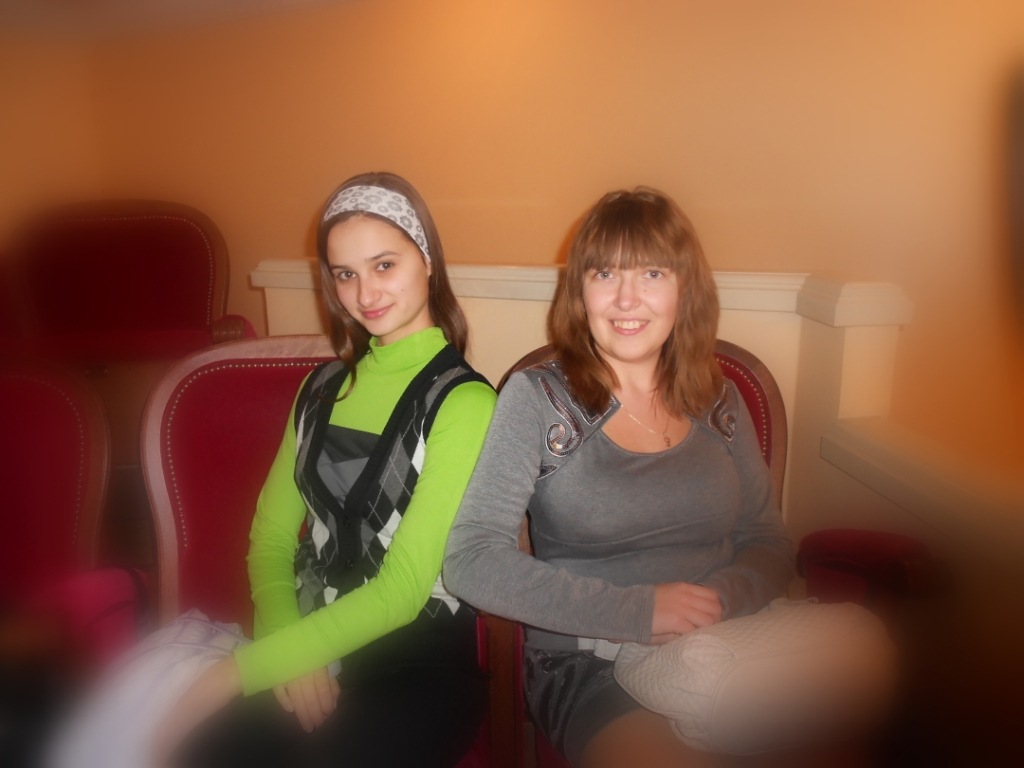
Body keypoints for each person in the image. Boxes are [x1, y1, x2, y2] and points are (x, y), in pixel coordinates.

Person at [443, 187, 795, 768]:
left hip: (727, 646)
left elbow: (768, 541)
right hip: (591, 663)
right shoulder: (537, 400)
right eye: (605, 273)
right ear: (579, 291)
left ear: (685, 289)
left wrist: (715, 603)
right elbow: (471, 559)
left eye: (652, 273)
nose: (627, 298)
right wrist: (640, 612)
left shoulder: (720, 399)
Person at [163, 172, 497, 768]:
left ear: (427, 261)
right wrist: (288, 651)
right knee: (200, 752)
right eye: (345, 274)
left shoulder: (465, 402)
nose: (365, 292)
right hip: (308, 637)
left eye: (384, 265)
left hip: (417, 664)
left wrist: (231, 676)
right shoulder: (318, 388)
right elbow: (269, 538)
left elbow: (402, 591)